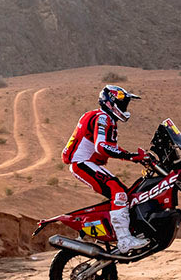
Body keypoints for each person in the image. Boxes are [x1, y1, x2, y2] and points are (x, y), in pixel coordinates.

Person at [61, 84, 150, 253]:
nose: (125, 107)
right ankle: (124, 240)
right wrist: (131, 157)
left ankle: (123, 233)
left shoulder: (107, 118)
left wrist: (134, 157)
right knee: (119, 193)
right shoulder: (102, 117)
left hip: (88, 163)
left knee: (125, 194)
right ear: (110, 103)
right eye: (122, 103)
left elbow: (109, 147)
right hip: (82, 163)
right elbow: (101, 146)